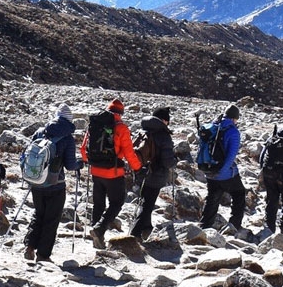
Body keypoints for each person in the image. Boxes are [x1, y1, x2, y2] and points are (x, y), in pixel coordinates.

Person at [23, 103, 84, 262]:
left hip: (36, 181)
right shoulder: (68, 139)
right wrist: (80, 164)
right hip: (56, 185)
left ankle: (29, 246)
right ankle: (43, 255)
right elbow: (70, 165)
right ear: (70, 122)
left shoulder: (40, 132)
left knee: (38, 213)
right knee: (51, 219)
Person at [81, 99, 142, 248]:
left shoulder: (95, 124)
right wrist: (138, 168)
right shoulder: (121, 128)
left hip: (95, 170)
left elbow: (84, 149)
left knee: (98, 203)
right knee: (116, 202)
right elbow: (129, 152)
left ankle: (96, 236)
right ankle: (99, 229)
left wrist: (92, 162)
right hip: (113, 172)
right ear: (121, 113)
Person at [198, 105, 246, 232]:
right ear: (235, 118)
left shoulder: (212, 126)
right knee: (239, 194)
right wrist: (221, 172)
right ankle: (234, 225)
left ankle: (204, 226)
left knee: (213, 197)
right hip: (224, 173)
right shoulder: (233, 131)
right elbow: (231, 156)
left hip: (209, 168)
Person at [130, 107, 175, 240]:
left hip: (141, 170)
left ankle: (146, 227)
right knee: (147, 204)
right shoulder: (163, 135)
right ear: (164, 120)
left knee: (144, 199)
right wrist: (174, 161)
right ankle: (135, 233)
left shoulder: (144, 130)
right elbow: (167, 162)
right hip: (156, 173)